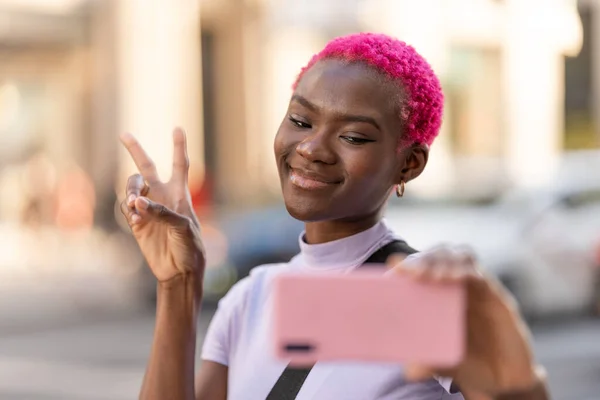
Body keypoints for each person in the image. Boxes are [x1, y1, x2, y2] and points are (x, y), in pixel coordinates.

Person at [120, 33, 550, 400]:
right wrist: (178, 284)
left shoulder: (415, 291)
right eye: (301, 120)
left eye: (352, 136)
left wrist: (512, 365)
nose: (311, 148)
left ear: (409, 165)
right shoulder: (249, 301)